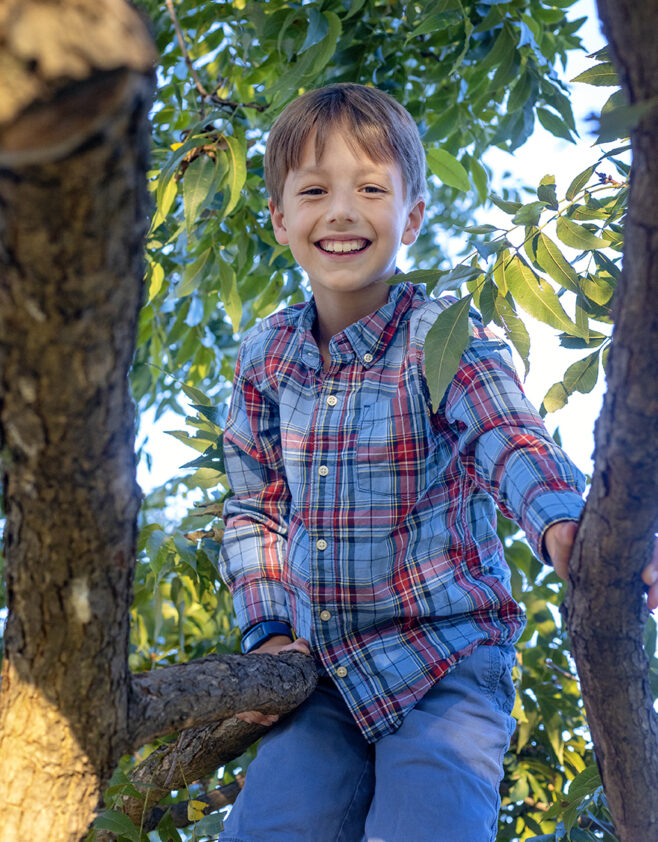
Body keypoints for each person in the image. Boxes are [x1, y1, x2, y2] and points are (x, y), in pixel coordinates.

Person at [216, 83, 658, 842]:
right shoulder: (265, 358)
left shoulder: (440, 334)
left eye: (372, 189)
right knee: (272, 826)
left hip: (445, 663)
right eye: (315, 190)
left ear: (412, 216)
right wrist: (268, 633)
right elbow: (256, 505)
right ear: (280, 218)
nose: (343, 211)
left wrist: (567, 530)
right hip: (320, 672)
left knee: (426, 826)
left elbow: (508, 435)